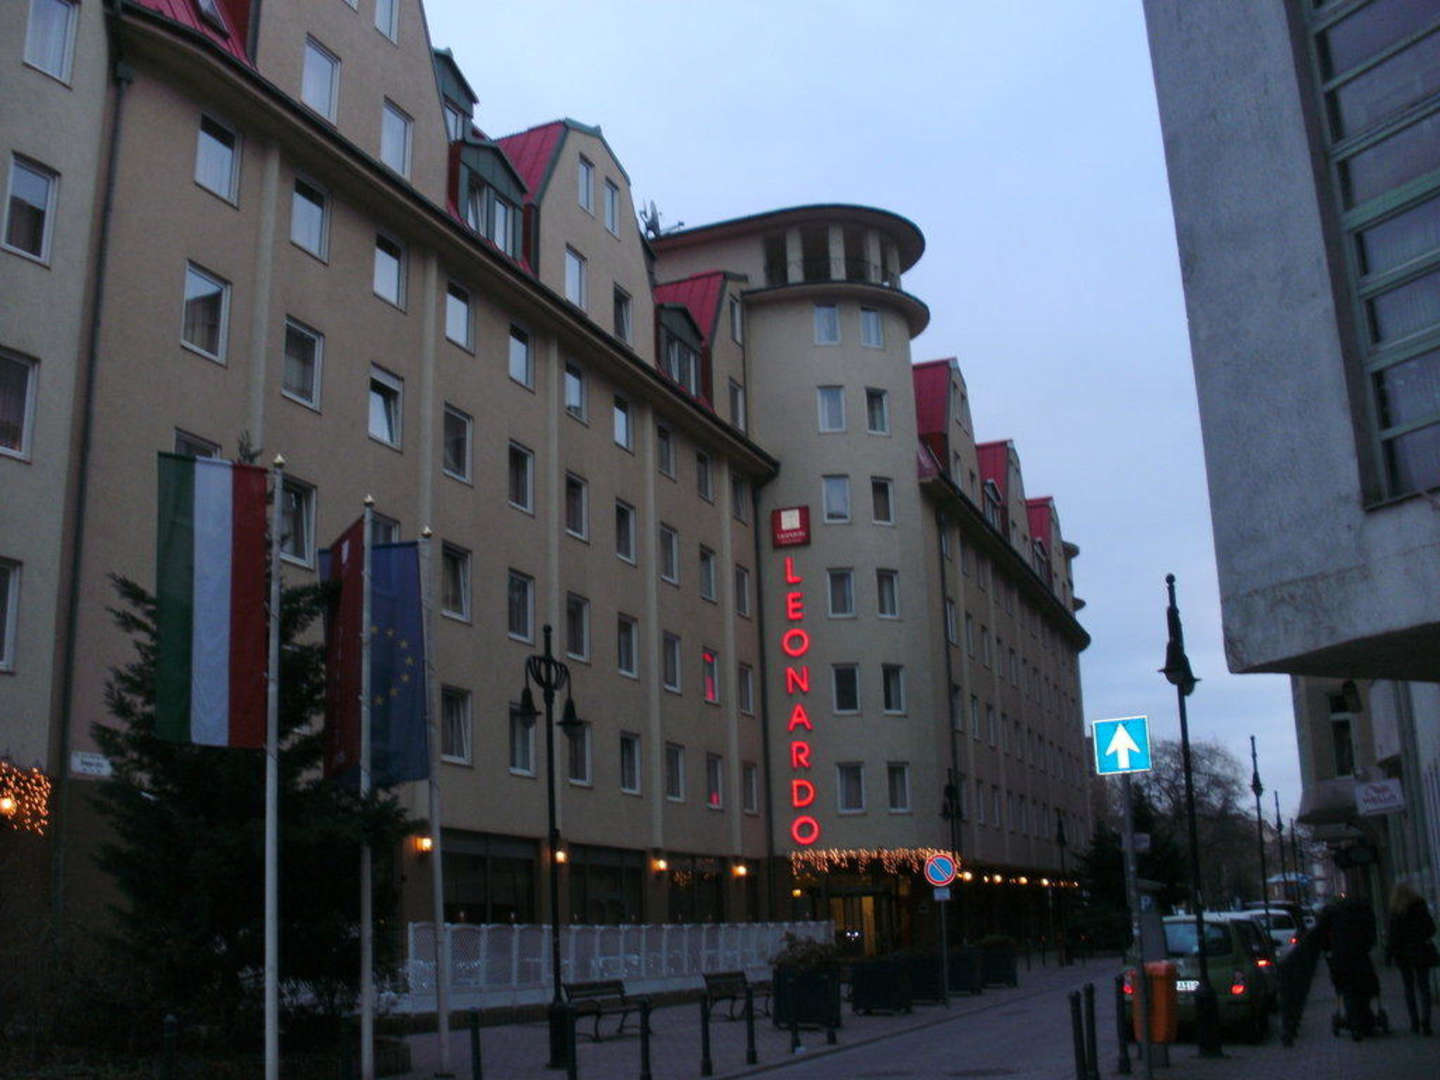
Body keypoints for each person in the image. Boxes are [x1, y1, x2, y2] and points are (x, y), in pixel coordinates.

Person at [1317, 895, 1380, 1040]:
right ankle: (1365, 1018)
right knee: (1363, 987)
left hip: (1341, 959)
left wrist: (1328, 949)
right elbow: (1371, 936)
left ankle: (1355, 1023)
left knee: (1347, 990)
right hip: (1361, 957)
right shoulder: (1363, 913)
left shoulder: (1333, 915)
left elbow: (1323, 936)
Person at [1386, 882, 1437, 1035]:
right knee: (1424, 987)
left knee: (1409, 988)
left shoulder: (1396, 912)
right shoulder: (1420, 907)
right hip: (1421, 951)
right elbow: (1431, 929)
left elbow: (1393, 937)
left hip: (1403, 955)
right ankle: (1426, 1021)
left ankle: (1414, 1023)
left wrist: (1389, 955)